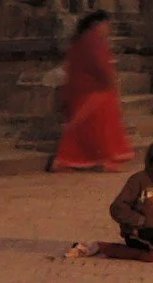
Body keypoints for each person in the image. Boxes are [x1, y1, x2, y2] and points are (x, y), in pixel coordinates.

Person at [49, 10, 132, 173]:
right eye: (106, 25)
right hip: (92, 91)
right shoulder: (93, 41)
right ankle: (91, 158)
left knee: (89, 128)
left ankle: (92, 158)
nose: (108, 30)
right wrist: (112, 82)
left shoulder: (82, 41)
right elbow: (101, 66)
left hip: (82, 90)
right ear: (97, 25)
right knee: (99, 125)